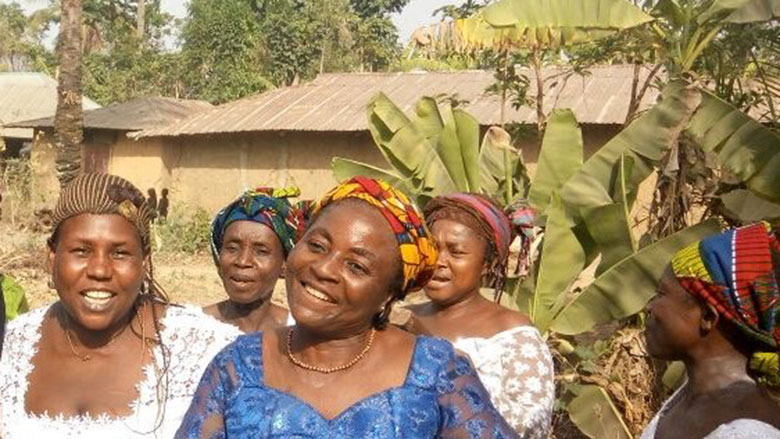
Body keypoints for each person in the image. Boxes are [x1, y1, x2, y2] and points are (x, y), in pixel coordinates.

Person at [176, 176, 518, 439]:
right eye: (317, 245)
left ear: (388, 294)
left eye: (356, 266)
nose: (324, 269)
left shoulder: (437, 373)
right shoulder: (237, 366)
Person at [0, 173, 241, 438]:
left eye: (120, 253)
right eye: (81, 250)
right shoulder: (13, 343)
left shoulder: (204, 349)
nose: (100, 270)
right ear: (52, 256)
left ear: (144, 261)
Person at [405, 193, 554, 438]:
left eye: (456, 252)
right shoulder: (400, 320)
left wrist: (456, 374)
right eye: (433, 248)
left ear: (488, 262)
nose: (439, 261)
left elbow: (531, 425)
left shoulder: (512, 332)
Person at [641, 222, 780, 439]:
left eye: (661, 294)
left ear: (707, 317)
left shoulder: (749, 431)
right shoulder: (688, 396)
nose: (649, 307)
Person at [203, 187, 306, 333]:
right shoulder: (188, 329)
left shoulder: (298, 336)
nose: (243, 261)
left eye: (261, 252)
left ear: (285, 263)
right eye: (232, 248)